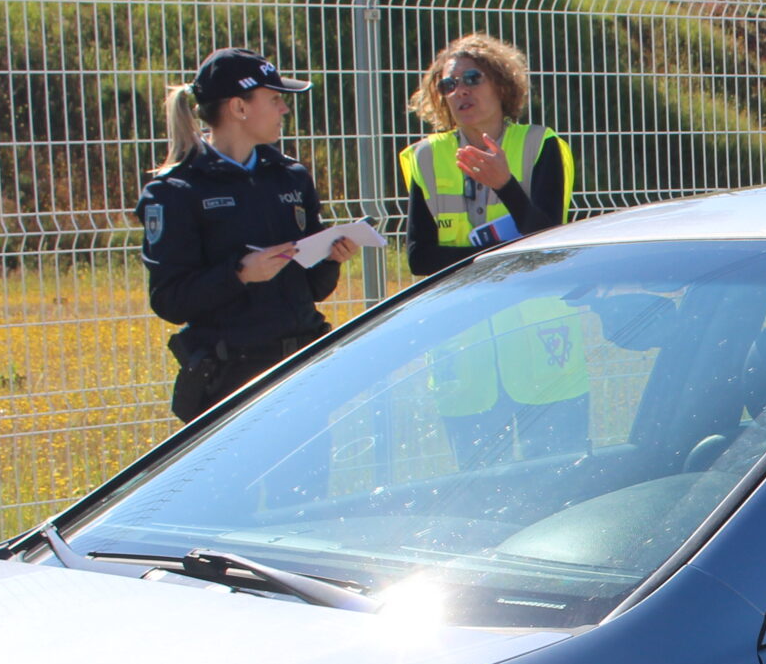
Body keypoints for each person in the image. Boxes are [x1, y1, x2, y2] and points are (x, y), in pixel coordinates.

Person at [138, 48, 360, 423]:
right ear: (239, 108)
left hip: (302, 365)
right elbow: (169, 300)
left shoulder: (290, 176)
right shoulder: (176, 190)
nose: (284, 110)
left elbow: (311, 289)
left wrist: (331, 259)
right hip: (230, 378)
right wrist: (240, 274)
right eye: (274, 100)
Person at [399, 33, 589, 466]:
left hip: (542, 353)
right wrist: (501, 258)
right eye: (448, 85)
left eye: (472, 78)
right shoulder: (426, 158)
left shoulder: (541, 145)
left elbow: (549, 244)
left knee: (560, 479)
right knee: (479, 489)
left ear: (502, 86)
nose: (460, 91)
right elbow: (419, 258)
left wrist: (505, 185)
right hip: (466, 361)